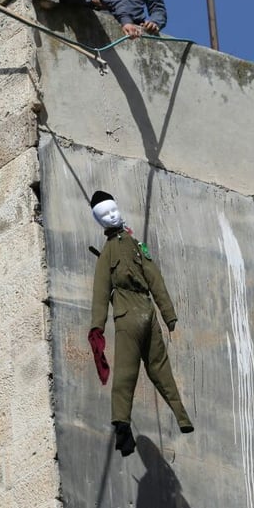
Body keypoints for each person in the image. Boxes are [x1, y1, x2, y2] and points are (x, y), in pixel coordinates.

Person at [88, 190, 193, 457]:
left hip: (141, 313)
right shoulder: (112, 253)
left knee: (153, 369)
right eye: (105, 214)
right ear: (99, 221)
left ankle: (180, 418)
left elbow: (154, 279)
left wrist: (168, 314)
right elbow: (101, 293)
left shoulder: (134, 245)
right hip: (134, 313)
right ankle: (124, 427)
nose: (112, 215)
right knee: (135, 372)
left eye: (113, 210)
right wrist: (96, 328)